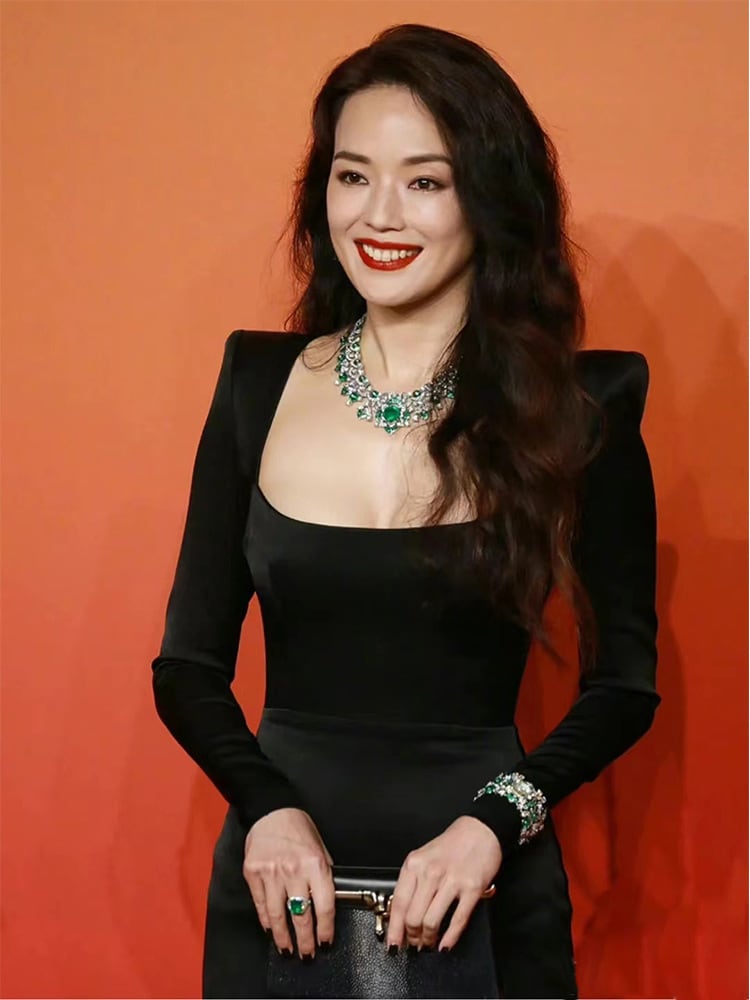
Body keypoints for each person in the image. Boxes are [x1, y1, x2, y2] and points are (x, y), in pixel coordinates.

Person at [151, 22, 660, 1000]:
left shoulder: (581, 411)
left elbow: (624, 686)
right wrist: (266, 810)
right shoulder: (256, 385)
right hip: (280, 888)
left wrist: (495, 823)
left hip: (484, 884)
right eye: (353, 175)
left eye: (426, 181)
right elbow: (187, 666)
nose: (379, 214)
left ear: (491, 197)